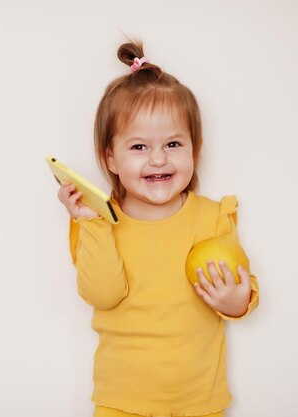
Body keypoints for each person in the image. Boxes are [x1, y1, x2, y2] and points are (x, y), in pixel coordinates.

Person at [57, 38, 260, 417]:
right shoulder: (98, 222)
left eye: (173, 143)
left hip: (199, 403)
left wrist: (236, 302)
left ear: (195, 151)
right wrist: (91, 224)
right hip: (122, 402)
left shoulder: (213, 217)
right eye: (138, 147)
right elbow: (102, 295)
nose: (158, 158)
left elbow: (244, 289)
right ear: (110, 158)